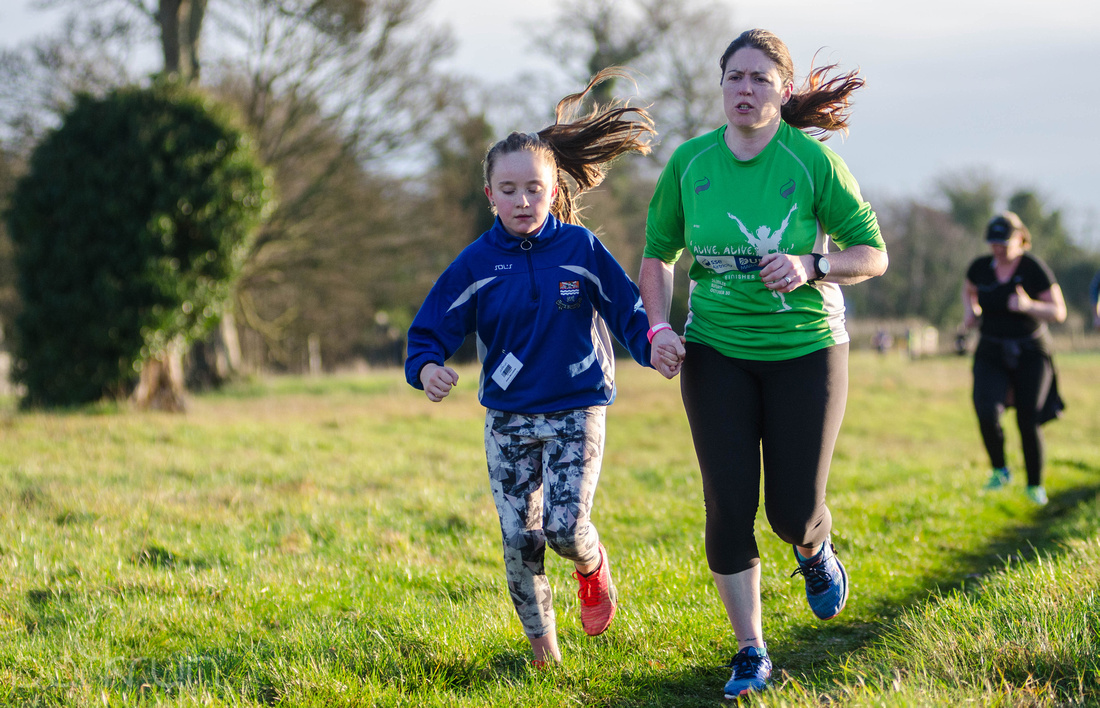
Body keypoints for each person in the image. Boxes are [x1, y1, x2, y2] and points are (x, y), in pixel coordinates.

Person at [638, 29, 888, 699]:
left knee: (793, 510)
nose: (744, 90)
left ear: (782, 90)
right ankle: (751, 650)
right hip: (715, 351)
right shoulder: (690, 163)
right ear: (721, 86)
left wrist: (814, 265)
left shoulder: (809, 163)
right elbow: (658, 256)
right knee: (728, 506)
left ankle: (814, 549)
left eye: (758, 79)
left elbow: (872, 252)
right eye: (734, 78)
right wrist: (659, 325)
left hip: (806, 350)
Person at [404, 69, 663, 667]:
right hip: (509, 418)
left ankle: (593, 567)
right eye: (510, 189)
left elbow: (627, 309)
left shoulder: (580, 250)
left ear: (553, 190)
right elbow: (427, 332)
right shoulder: (474, 264)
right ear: (489, 194)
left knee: (565, 529)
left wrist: (654, 346)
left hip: (578, 405)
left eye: (535, 189)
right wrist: (427, 369)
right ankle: (544, 653)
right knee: (521, 539)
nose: (523, 201)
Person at [961, 211, 1067, 506]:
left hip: (1030, 351)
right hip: (991, 349)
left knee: (1028, 418)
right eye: (993, 243)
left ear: (1021, 239)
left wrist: (1028, 305)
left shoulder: (1034, 268)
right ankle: (1000, 470)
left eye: (1004, 243)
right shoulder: (980, 267)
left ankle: (1034, 486)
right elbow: (969, 289)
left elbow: (1059, 312)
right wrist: (970, 313)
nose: (998, 249)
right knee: (986, 410)